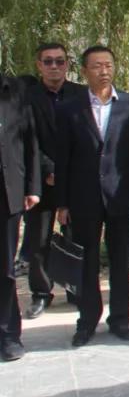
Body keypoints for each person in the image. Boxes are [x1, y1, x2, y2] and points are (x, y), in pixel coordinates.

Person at [55, 45, 129, 347]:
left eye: (108, 65)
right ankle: (87, 321)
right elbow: (62, 158)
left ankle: (120, 319)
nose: (104, 71)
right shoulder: (69, 109)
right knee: (87, 261)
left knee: (121, 259)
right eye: (97, 66)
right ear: (84, 71)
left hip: (121, 194)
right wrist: (62, 202)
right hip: (83, 197)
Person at [20, 43, 87, 320]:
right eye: (48, 61)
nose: (54, 66)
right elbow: (28, 140)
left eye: (60, 61)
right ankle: (41, 292)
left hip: (76, 178)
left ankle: (75, 289)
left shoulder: (82, 94)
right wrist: (49, 169)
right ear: (39, 65)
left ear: (67, 64)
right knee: (39, 239)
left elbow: (88, 136)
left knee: (76, 237)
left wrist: (68, 170)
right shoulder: (27, 98)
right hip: (41, 178)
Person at [0, 73, 41, 361]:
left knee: (4, 269)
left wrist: (32, 188)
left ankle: (8, 334)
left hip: (6, 194)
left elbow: (30, 143)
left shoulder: (13, 93)